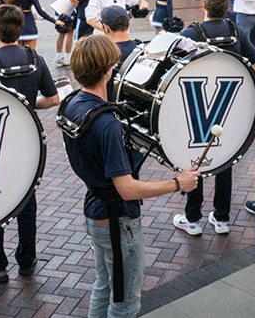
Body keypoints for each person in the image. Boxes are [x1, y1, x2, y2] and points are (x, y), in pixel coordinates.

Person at [61, 34, 199, 318]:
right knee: (125, 301)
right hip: (117, 221)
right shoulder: (106, 122)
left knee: (105, 284)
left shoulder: (73, 104)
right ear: (109, 71)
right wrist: (178, 183)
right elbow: (126, 188)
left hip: (94, 210)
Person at [0, 5, 59, 283]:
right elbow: (53, 99)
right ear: (21, 29)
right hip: (28, 141)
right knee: (27, 199)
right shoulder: (36, 59)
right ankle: (26, 259)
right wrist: (28, 104)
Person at [173, 0, 255, 236]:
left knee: (196, 161)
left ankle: (193, 219)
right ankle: (222, 219)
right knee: (225, 159)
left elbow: (170, 63)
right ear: (227, 7)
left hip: (197, 107)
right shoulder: (235, 31)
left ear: (205, 5)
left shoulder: (193, 33)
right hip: (229, 108)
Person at [46, 0, 76, 65]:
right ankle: (68, 57)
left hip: (60, 8)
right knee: (70, 34)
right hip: (69, 8)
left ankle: (59, 55)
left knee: (61, 33)